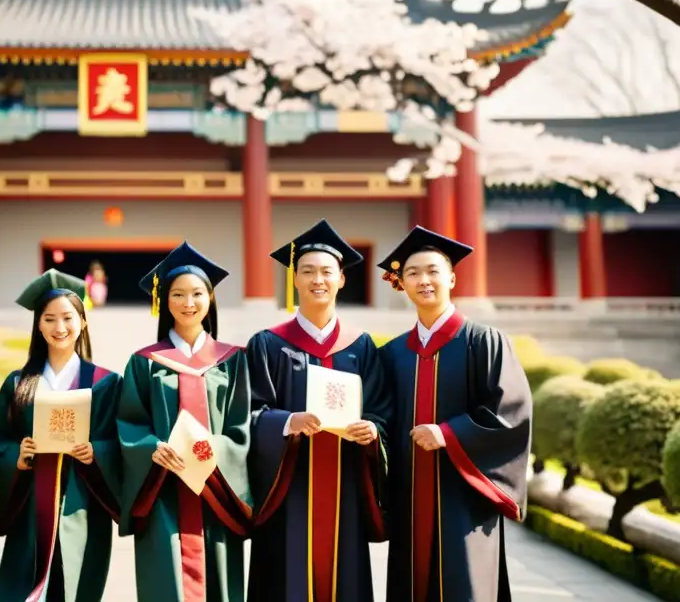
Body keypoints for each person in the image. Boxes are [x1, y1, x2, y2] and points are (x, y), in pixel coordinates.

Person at [378, 225, 533, 602]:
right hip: (409, 498)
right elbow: (381, 418)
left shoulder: (485, 342)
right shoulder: (393, 353)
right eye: (412, 273)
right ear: (400, 282)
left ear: (451, 276)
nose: (424, 280)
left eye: (433, 271)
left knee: (466, 586)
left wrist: (447, 434)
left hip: (464, 497)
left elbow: (510, 414)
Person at [246, 218, 391, 602]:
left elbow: (381, 410)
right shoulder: (267, 345)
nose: (317, 280)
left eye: (327, 271)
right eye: (307, 271)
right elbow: (247, 414)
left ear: (342, 279)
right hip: (287, 490)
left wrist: (373, 431)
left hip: (345, 485)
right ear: (294, 279)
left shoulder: (361, 347)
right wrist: (287, 422)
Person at [117, 241, 252, 602]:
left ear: (210, 298)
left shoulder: (233, 361)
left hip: (217, 492)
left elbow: (242, 428)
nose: (188, 303)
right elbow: (128, 421)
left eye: (196, 293)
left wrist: (214, 450)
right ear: (164, 301)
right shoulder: (144, 362)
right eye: (177, 294)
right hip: (162, 491)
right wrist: (151, 448)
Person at [0, 269, 122, 602]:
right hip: (30, 508)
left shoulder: (106, 382)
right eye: (49, 319)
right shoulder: (18, 384)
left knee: (76, 588)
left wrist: (96, 452)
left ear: (83, 321)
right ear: (38, 325)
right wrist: (17, 456)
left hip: (83, 506)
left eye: (67, 318)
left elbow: (118, 445)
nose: (59, 328)